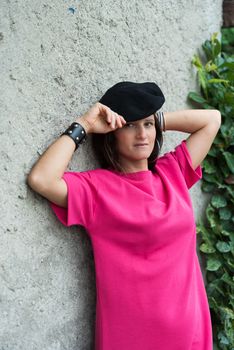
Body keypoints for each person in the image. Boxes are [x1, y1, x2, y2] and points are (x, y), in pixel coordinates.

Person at [27, 81, 221, 350]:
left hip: (190, 331)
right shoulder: (97, 190)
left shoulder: (172, 173)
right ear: (113, 131)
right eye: (130, 125)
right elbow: (41, 178)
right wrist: (84, 124)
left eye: (148, 125)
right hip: (131, 337)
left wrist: (156, 118)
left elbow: (212, 120)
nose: (142, 134)